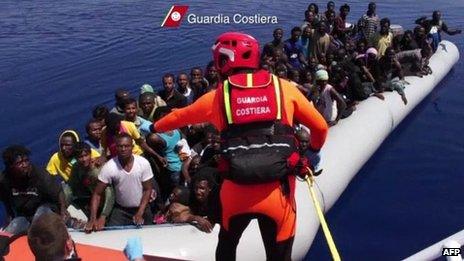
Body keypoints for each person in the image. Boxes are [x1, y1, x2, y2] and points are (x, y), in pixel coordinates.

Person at [150, 32, 328, 260]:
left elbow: (179, 118)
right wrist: (312, 152)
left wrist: (155, 127)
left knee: (226, 248)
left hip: (236, 193)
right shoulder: (284, 88)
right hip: (279, 193)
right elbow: (321, 127)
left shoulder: (218, 97)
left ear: (223, 61)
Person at [86, 133, 154, 231]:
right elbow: (97, 194)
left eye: (126, 146)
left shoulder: (143, 163)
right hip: (121, 210)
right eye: (120, 146)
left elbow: (148, 190)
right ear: (116, 147)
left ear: (132, 147)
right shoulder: (109, 167)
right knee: (110, 234)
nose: (123, 149)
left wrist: (140, 213)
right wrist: (93, 219)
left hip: (142, 209)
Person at [0, 145, 67, 235]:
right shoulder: (4, 180)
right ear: (10, 166)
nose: (25, 165)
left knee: (38, 223)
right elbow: (6, 200)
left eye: (26, 161)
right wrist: (10, 216)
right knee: (10, 232)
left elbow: (59, 192)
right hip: (25, 216)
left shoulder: (40, 175)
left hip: (45, 208)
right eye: (19, 163)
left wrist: (63, 212)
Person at [67, 142, 114, 227]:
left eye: (86, 155)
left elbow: (110, 193)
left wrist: (103, 215)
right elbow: (71, 187)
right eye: (80, 157)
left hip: (109, 204)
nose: (84, 159)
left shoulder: (98, 170)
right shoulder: (76, 168)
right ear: (75, 158)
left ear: (90, 154)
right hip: (91, 202)